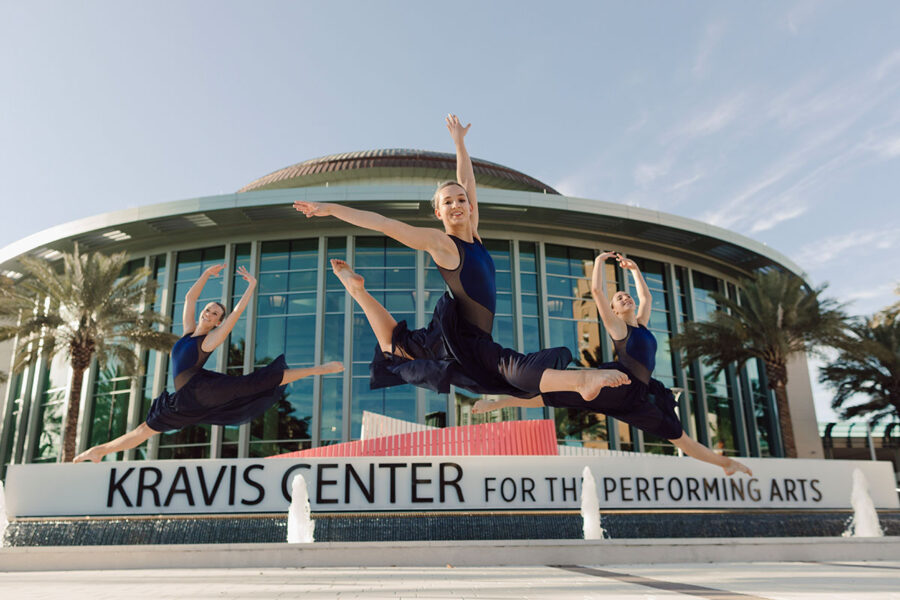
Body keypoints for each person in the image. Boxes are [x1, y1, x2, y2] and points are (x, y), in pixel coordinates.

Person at [294, 115, 630, 404]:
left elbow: (467, 180)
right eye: (448, 202)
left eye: (461, 201)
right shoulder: (442, 244)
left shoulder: (476, 235)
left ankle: (358, 291)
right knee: (504, 368)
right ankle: (581, 381)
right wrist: (330, 209)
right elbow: (385, 224)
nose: (456, 205)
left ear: (470, 206)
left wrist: (459, 144)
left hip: (467, 336)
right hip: (462, 339)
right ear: (438, 212)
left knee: (395, 345)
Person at [473, 252, 753, 477]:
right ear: (616, 311)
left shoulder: (641, 324)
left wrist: (634, 270)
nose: (625, 297)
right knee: (553, 395)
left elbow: (647, 297)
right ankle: (498, 402)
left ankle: (723, 463)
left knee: (678, 436)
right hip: (617, 382)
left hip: (640, 396)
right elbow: (596, 290)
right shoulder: (620, 331)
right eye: (619, 298)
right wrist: (598, 261)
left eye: (625, 295)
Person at [74, 263, 342, 463]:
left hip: (201, 389)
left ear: (217, 322)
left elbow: (235, 314)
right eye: (210, 308)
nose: (209, 312)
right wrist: (205, 275)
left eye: (215, 313)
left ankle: (321, 369)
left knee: (257, 382)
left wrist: (251, 286)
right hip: (186, 398)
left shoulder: (209, 340)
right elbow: (190, 299)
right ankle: (100, 451)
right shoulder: (189, 331)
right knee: (146, 429)